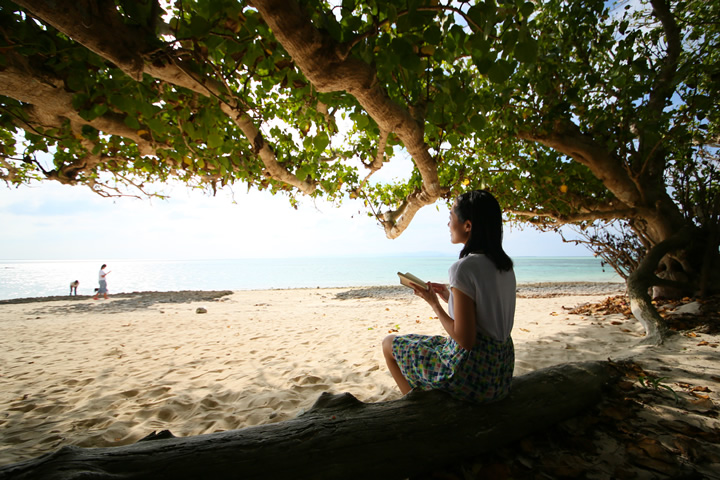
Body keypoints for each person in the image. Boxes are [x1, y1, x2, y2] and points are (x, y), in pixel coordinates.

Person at [382, 190, 516, 403]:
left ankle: (413, 409)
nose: (448, 224)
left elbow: (466, 340)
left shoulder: (463, 268)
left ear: (468, 225)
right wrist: (449, 295)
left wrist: (434, 304)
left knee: (389, 344)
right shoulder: (504, 265)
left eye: (450, 217)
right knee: (428, 343)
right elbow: (487, 313)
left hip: (473, 374)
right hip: (500, 371)